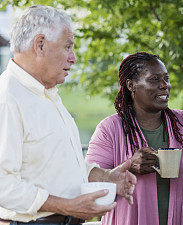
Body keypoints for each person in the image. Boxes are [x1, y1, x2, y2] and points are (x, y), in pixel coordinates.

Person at [0, 5, 137, 225]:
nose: (73, 58)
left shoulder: (46, 94)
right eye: (67, 47)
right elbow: (3, 185)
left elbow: (58, 165)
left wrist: (106, 177)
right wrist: (65, 205)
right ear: (40, 45)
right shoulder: (7, 98)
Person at [85, 52, 183, 225]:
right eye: (154, 79)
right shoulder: (109, 129)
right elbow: (92, 184)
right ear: (131, 85)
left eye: (166, 79)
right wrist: (129, 167)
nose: (165, 86)